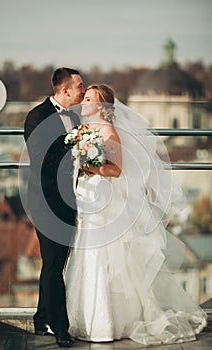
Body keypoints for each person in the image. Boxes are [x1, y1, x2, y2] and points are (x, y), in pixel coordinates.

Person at [64, 84, 207, 345]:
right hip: (86, 197)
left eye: (88, 99)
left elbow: (116, 171)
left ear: (102, 106)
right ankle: (87, 318)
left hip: (103, 201)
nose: (82, 102)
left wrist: (90, 168)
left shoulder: (108, 132)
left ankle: (106, 324)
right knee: (87, 253)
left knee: (104, 256)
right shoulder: (85, 132)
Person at [24, 67, 85, 348]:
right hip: (46, 202)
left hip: (70, 201)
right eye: (79, 86)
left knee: (55, 263)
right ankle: (61, 329)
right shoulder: (36, 116)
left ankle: (40, 317)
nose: (83, 90)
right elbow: (41, 161)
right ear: (65, 90)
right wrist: (74, 146)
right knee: (53, 264)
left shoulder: (73, 116)